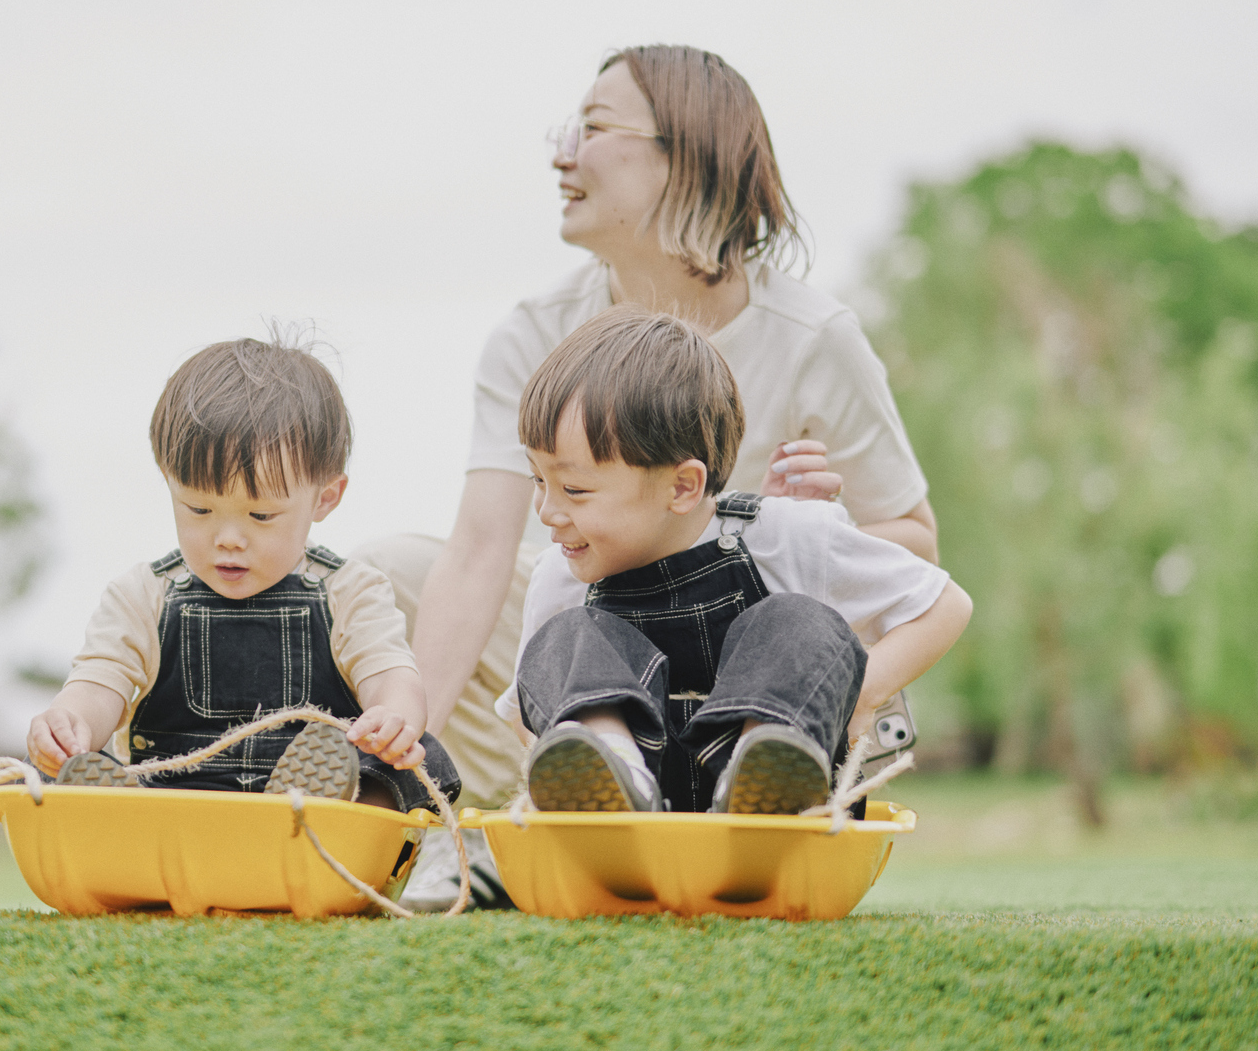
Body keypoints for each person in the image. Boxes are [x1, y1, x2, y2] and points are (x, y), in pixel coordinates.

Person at [364, 43, 940, 820]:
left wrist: (778, 525)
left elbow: (917, 546)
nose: (563, 154)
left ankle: (765, 764)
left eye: (594, 128)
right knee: (388, 571)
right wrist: (412, 741)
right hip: (603, 629)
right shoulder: (534, 333)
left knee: (788, 619)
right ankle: (536, 776)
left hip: (755, 652)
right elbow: (479, 552)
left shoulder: (814, 339)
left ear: (686, 159)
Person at [500, 306, 970, 814]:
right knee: (562, 638)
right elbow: (526, 716)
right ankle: (614, 769)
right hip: (634, 839)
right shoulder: (560, 580)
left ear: (683, 486)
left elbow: (945, 605)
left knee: (797, 620)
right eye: (538, 480)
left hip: (781, 832)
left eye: (573, 488)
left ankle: (767, 761)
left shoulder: (789, 534)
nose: (548, 511)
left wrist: (861, 691)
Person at [26, 336, 462, 812]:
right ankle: (125, 820)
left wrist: (393, 717)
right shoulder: (142, 596)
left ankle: (330, 820)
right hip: (180, 796)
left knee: (424, 758)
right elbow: (100, 681)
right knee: (93, 770)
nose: (228, 538)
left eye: (260, 516)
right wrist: (71, 723)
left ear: (325, 497)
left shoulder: (350, 592)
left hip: (314, 806)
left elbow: (389, 673)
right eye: (199, 508)